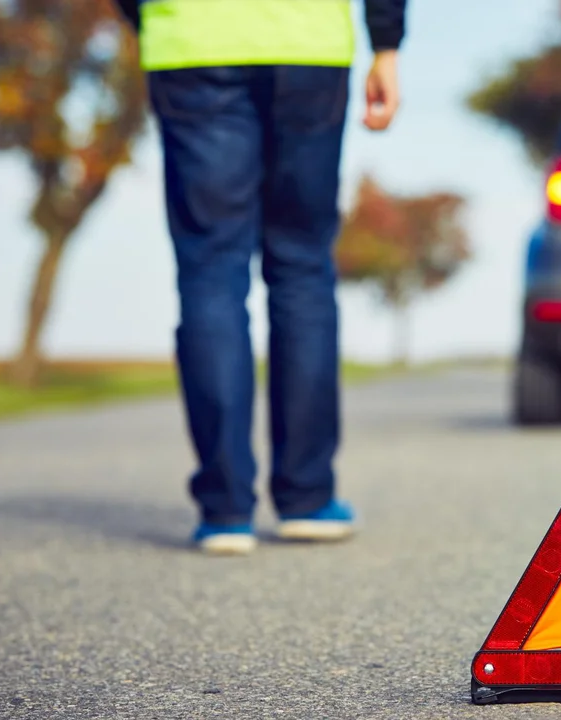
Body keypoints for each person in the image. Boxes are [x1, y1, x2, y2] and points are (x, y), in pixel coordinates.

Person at [113, 0, 406, 555]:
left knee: (210, 270)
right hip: (307, 43)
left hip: (193, 42)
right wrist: (387, 45)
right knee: (301, 267)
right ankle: (307, 498)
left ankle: (225, 510)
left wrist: (151, 17)